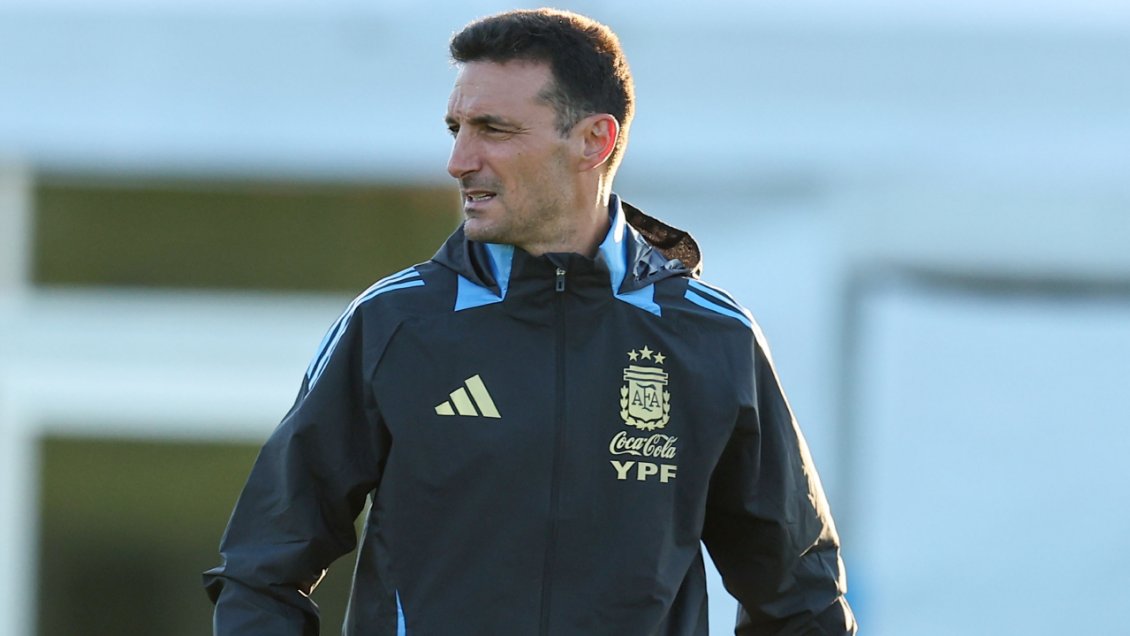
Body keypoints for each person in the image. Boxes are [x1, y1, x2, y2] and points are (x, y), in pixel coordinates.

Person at [204, 8, 856, 635]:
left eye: (494, 129)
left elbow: (801, 600)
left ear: (594, 141)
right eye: (456, 128)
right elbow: (262, 569)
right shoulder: (394, 323)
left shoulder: (714, 339)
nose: (459, 160)